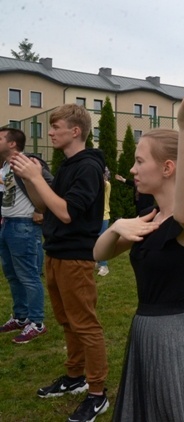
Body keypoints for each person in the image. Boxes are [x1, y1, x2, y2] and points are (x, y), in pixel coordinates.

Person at [93, 60, 184, 421]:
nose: (134, 169)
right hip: (145, 335)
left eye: (140, 162)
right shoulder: (150, 220)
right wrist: (115, 228)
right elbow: (98, 253)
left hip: (175, 341)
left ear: (168, 168)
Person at [11, 104, 109, 421]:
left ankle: (97, 394)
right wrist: (27, 179)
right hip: (55, 253)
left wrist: (37, 177)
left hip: (76, 259)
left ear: (75, 131)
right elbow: (45, 206)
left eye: (56, 127)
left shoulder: (88, 167)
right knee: (67, 322)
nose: (50, 132)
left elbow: (67, 212)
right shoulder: (68, 165)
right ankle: (75, 376)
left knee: (85, 325)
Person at [0, 127, 51, 344]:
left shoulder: (27, 161)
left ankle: (37, 322)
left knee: (28, 275)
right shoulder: (4, 166)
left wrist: (41, 210)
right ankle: (21, 317)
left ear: (12, 143)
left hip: (24, 227)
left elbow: (49, 183)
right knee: (12, 275)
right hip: (7, 225)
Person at [96, 167, 111, 276]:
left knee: (103, 241)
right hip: (95, 217)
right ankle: (98, 261)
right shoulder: (95, 186)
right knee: (95, 240)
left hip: (103, 216)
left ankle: (104, 265)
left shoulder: (107, 184)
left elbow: (103, 183)